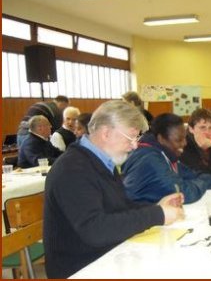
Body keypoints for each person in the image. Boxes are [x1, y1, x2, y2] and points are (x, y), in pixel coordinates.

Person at [43, 100, 184, 279]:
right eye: (131, 138)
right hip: (81, 268)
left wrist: (157, 207)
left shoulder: (101, 161)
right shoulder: (72, 170)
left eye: (137, 138)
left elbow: (120, 207)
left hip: (106, 254)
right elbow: (95, 230)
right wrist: (158, 215)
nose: (134, 146)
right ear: (106, 133)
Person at [122, 113, 211, 205]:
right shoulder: (150, 159)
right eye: (178, 140)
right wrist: (206, 182)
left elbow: (193, 175)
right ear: (161, 139)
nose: (185, 143)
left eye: (185, 138)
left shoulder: (163, 152)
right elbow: (184, 192)